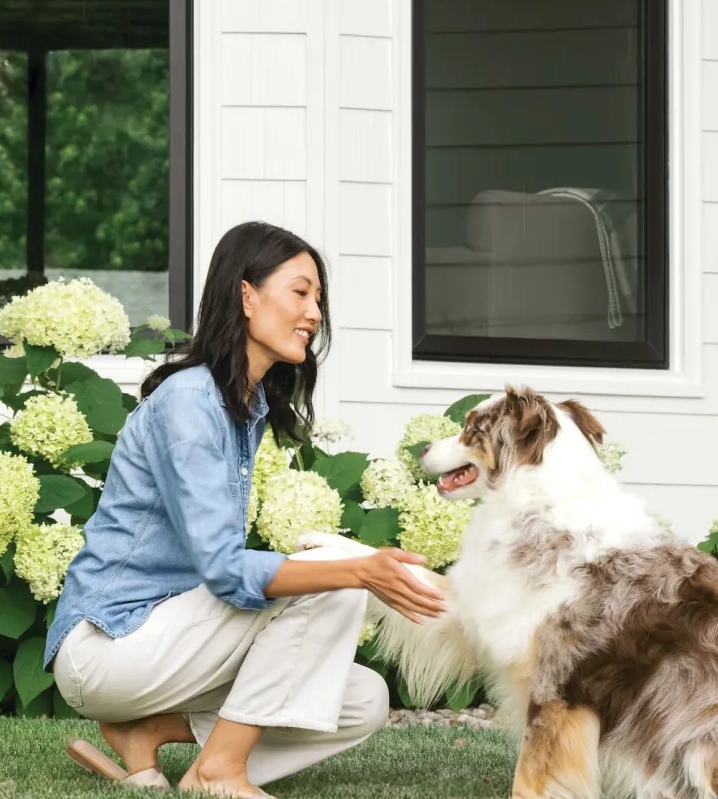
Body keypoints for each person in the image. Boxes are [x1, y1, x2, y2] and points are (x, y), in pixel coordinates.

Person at [45, 222, 446, 798]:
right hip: (109, 646)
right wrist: (358, 569)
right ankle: (218, 772)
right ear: (247, 295)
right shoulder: (190, 402)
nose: (314, 313)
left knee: (361, 700)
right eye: (300, 292)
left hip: (171, 644)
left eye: (318, 299)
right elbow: (225, 570)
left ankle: (148, 732)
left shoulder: (241, 406)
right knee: (334, 578)